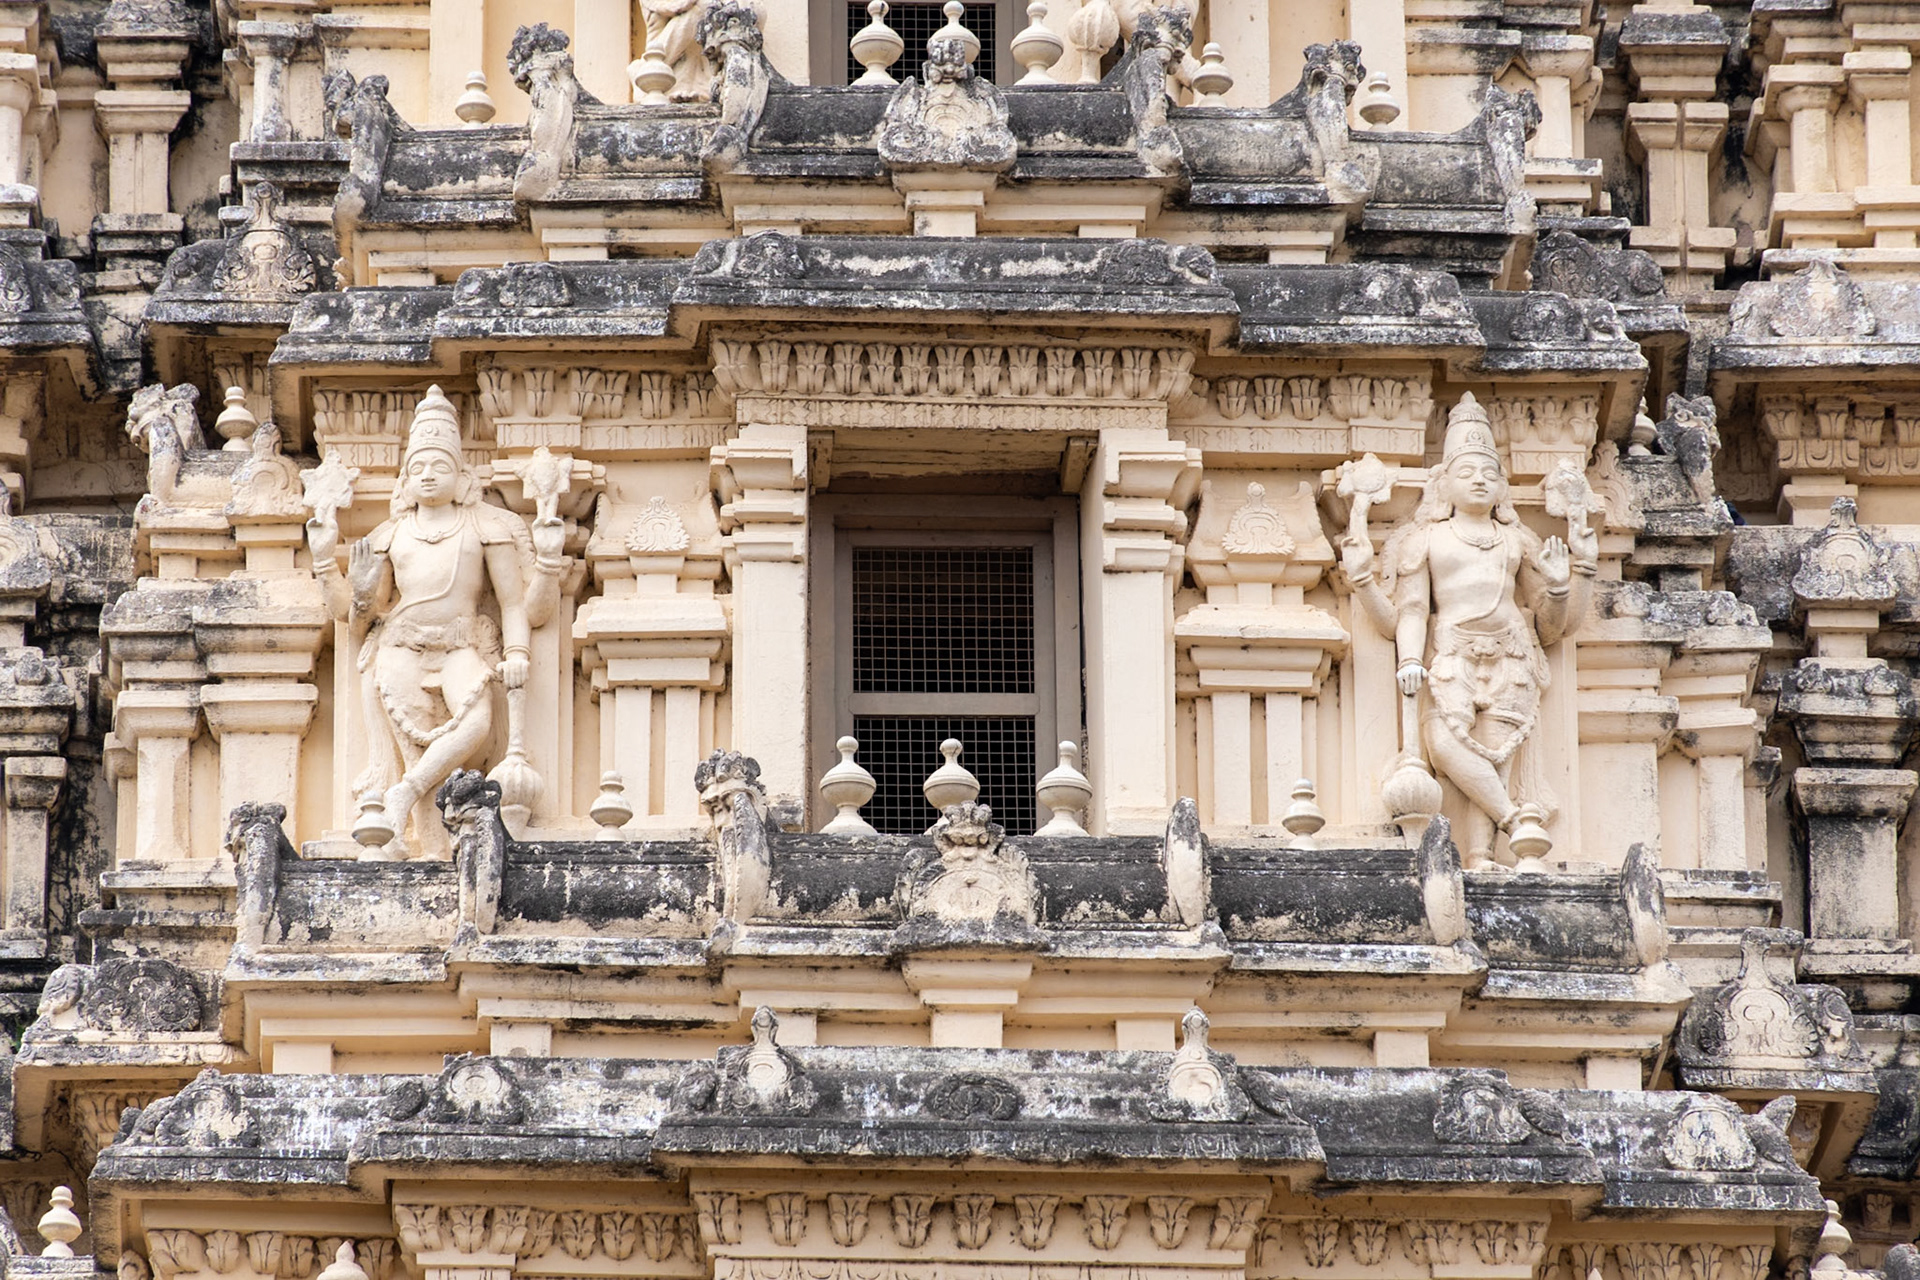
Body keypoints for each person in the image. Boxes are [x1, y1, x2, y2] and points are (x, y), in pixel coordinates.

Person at [1342, 394, 1597, 867]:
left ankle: (1482, 853)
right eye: (1466, 472)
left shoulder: (1517, 541)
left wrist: (1570, 579)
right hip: (1452, 655)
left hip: (1510, 656)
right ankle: (1516, 821)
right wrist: (1409, 659)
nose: (1479, 479)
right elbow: (1411, 611)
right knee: (1442, 742)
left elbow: (1550, 627)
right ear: (1444, 484)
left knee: (1497, 752)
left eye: (1489, 473)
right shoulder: (1427, 539)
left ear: (1502, 486)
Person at [308, 386, 559, 858]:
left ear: (462, 477)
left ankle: (403, 793)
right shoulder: (391, 534)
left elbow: (512, 603)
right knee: (416, 748)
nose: (427, 476)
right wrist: (328, 563)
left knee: (477, 720)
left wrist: (518, 653)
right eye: (417, 467)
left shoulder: (487, 527)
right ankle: (429, 846)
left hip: (461, 646)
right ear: (403, 479)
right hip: (401, 646)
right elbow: (355, 614)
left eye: (439, 466)